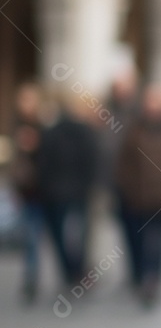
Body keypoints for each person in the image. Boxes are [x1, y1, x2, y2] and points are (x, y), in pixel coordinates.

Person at [114, 85, 161, 306]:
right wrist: (127, 190)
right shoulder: (133, 130)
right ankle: (140, 276)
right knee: (139, 241)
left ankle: (154, 279)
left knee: (159, 241)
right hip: (137, 199)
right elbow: (123, 165)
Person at [37, 96, 98, 290]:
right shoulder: (86, 133)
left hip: (55, 193)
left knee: (61, 235)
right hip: (77, 193)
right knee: (79, 234)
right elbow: (92, 164)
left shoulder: (51, 133)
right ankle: (78, 270)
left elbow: (43, 165)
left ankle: (70, 272)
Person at [10, 83, 44, 303]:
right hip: (25, 191)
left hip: (44, 190)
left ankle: (72, 273)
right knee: (30, 237)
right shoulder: (16, 126)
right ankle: (30, 278)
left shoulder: (44, 126)